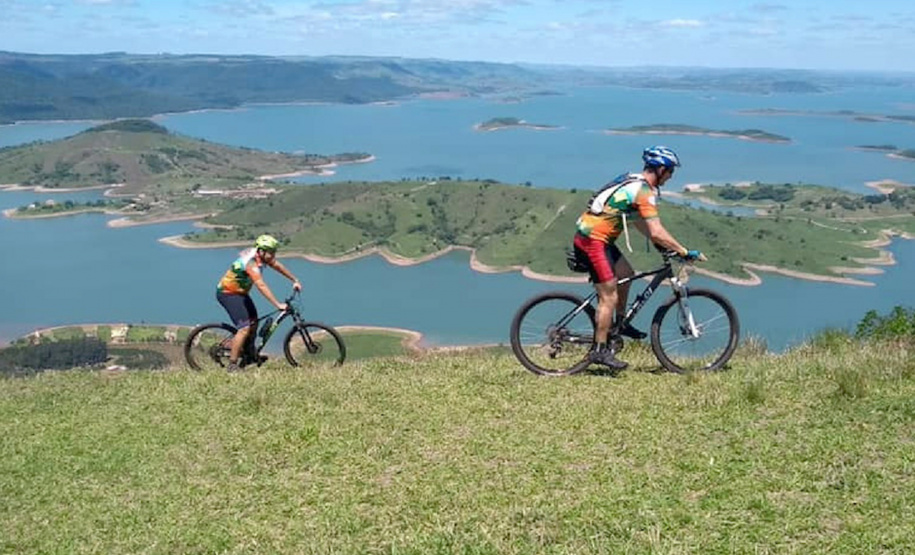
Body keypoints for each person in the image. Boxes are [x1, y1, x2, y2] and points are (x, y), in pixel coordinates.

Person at [573, 146, 702, 370]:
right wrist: (682, 250)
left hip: (595, 237)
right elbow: (656, 230)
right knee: (608, 297)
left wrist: (660, 245)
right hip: (593, 241)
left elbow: (639, 222)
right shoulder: (643, 192)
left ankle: (620, 323)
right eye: (670, 172)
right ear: (661, 169)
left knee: (627, 274)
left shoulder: (632, 180)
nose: (671, 177)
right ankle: (599, 351)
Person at [215, 234, 301, 371]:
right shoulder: (251, 263)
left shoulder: (262, 256)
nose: (273, 256)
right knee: (244, 328)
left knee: (254, 323)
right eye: (271, 253)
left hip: (240, 293)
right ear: (261, 251)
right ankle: (232, 365)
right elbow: (261, 285)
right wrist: (277, 305)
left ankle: (249, 355)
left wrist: (294, 279)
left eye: (274, 253)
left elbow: (277, 266)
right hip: (228, 294)